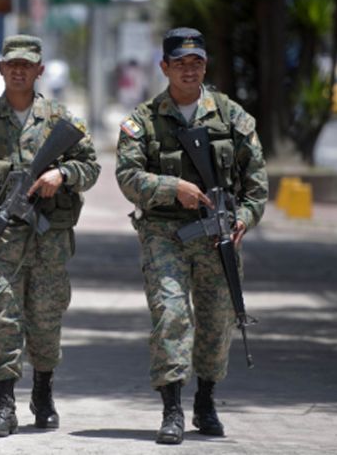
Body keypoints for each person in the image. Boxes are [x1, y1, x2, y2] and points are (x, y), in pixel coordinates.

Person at [114, 27, 268, 444]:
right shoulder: (143, 121)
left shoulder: (232, 117)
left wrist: (245, 218)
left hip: (217, 234)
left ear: (205, 66)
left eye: (196, 63)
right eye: (180, 63)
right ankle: (172, 409)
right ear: (164, 67)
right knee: (171, 314)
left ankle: (206, 400)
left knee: (217, 320)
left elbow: (256, 183)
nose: (189, 70)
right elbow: (127, 176)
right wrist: (172, 188)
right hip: (163, 232)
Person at [0, 34, 101, 437]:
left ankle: (43, 395)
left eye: (27, 65)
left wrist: (62, 174)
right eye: (12, 64)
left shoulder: (60, 120)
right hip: (0, 241)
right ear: (1, 69)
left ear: (40, 70)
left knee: (46, 321)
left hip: (49, 242)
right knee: (2, 318)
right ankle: (4, 406)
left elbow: (91, 167)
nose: (19, 71)